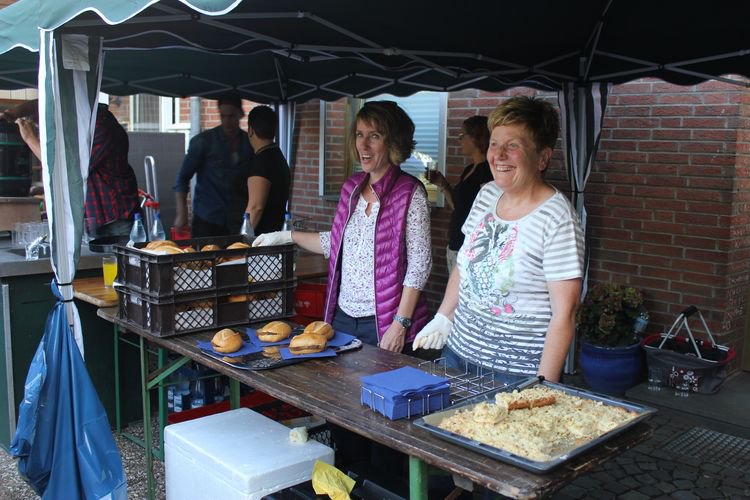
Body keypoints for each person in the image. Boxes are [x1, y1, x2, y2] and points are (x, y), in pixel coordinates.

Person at [413, 96, 585, 385]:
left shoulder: (558, 218)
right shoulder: (487, 194)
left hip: (514, 374)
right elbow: (464, 264)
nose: (499, 155)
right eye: (494, 143)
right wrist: (444, 316)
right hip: (458, 354)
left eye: (513, 145)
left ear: (543, 157)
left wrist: (542, 385)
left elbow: (564, 314)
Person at [254, 101, 432, 354]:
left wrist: (400, 324)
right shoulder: (352, 188)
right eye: (359, 135)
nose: (363, 145)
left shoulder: (410, 193)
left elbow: (419, 265)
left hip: (384, 322)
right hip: (342, 317)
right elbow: (338, 242)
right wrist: (286, 236)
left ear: (393, 141)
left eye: (374, 136)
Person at [1, 100, 139, 237]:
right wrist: (11, 114)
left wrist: (29, 138)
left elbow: (64, 169)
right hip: (91, 219)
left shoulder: (100, 125)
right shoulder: (79, 119)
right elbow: (45, 102)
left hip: (114, 221)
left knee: (114, 253)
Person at [173, 96, 253, 237]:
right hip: (207, 218)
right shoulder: (204, 141)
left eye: (231, 116)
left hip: (238, 218)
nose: (227, 121)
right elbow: (182, 177)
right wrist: (181, 212)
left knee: (237, 251)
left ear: (240, 114)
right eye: (223, 116)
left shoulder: (249, 143)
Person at [428, 115, 493, 274]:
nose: (459, 140)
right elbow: (459, 208)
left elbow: (487, 215)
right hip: (457, 242)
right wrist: (443, 185)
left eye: (462, 135)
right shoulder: (469, 169)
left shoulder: (488, 172)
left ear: (476, 137)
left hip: (472, 248)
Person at [244, 105, 290, 234]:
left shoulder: (262, 162)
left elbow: (256, 207)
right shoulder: (278, 156)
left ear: (250, 130)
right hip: (275, 233)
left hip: (261, 239)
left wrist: (242, 240)